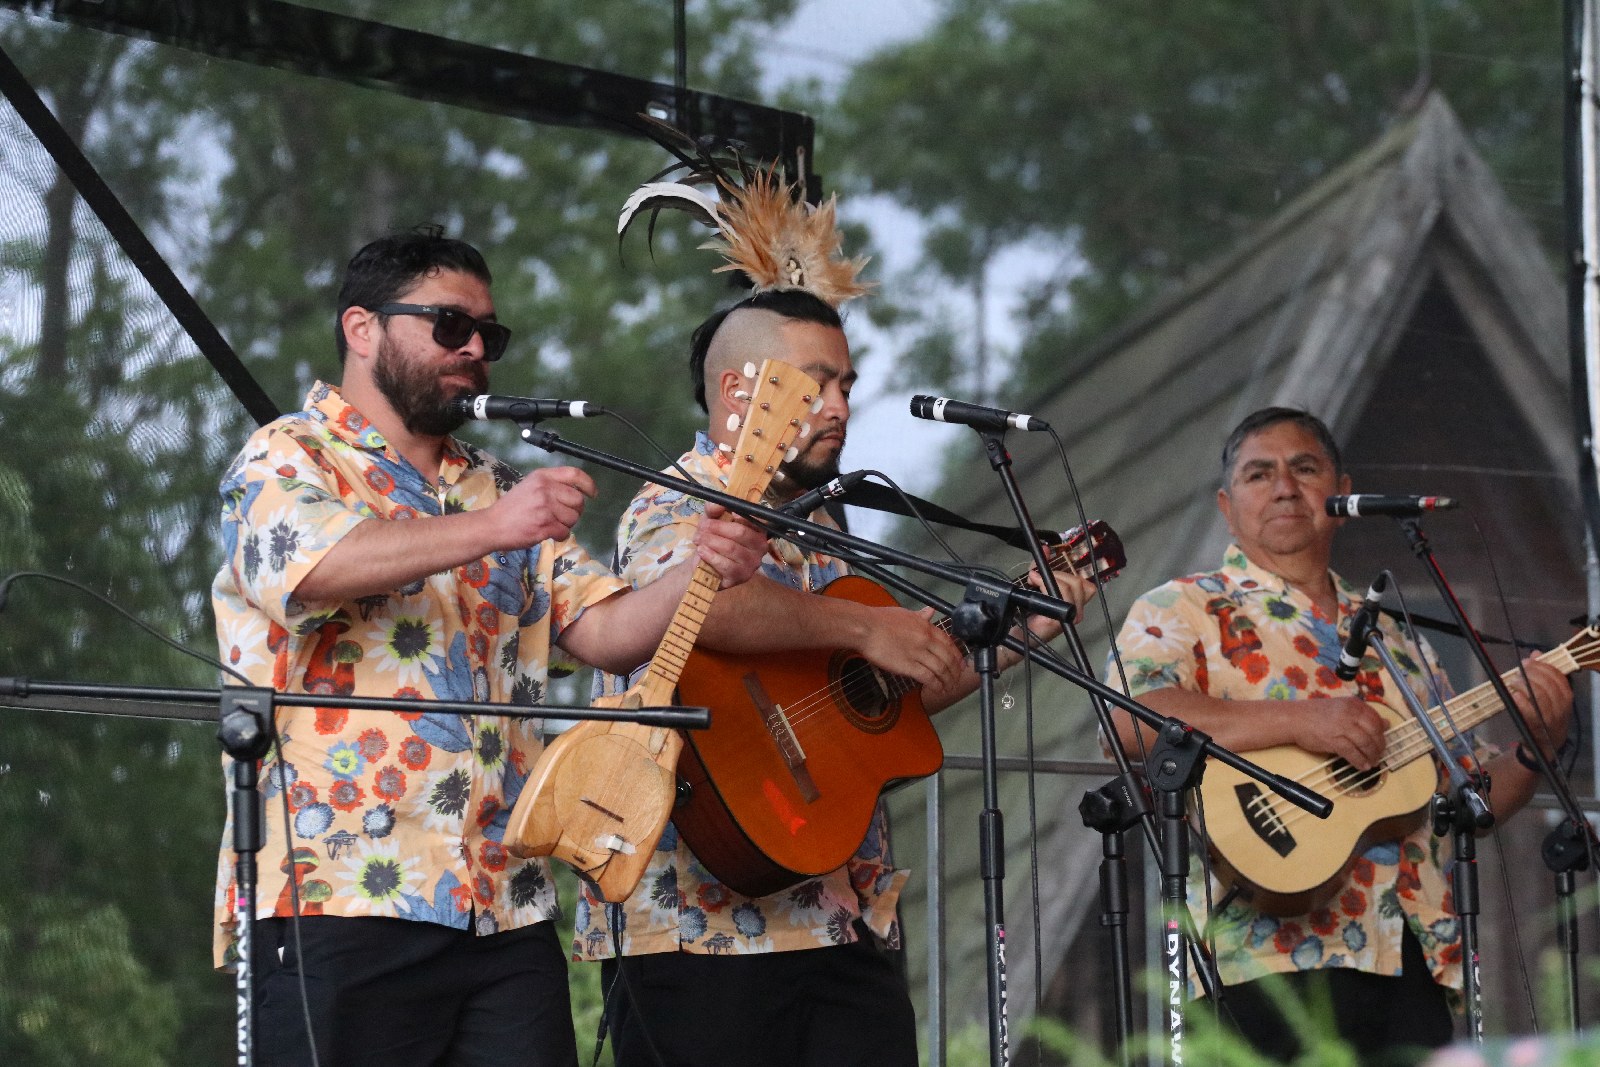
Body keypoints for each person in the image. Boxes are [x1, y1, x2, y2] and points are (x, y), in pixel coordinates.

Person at [210, 225, 769, 1067]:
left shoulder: (500, 484)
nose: (475, 349)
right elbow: (314, 565)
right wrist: (493, 528)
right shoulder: (288, 455)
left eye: (489, 335)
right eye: (449, 326)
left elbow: (608, 632)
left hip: (504, 903)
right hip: (337, 900)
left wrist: (702, 569)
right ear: (362, 329)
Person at [570, 285, 1100, 1067]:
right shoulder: (678, 501)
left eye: (847, 385)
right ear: (736, 391)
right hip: (699, 933)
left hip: (840, 917)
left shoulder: (823, 529)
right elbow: (706, 602)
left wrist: (1019, 629)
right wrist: (865, 624)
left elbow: (877, 706)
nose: (838, 405)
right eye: (813, 382)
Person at [1110, 407, 1573, 1063]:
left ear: (1341, 490)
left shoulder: (1399, 637)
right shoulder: (1183, 606)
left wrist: (1535, 746)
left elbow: (1469, 800)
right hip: (1263, 954)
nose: (1283, 487)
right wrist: (1302, 719)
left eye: (1305, 469)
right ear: (1227, 503)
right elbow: (1129, 717)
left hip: (1412, 951)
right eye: (1259, 473)